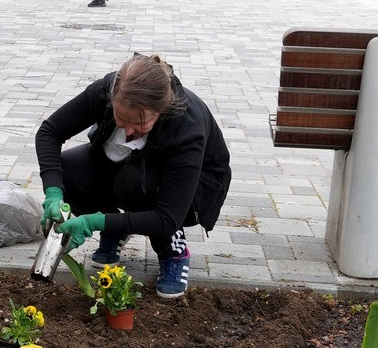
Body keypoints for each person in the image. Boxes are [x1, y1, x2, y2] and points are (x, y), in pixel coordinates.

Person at [33, 53, 231, 299]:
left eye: (139, 123)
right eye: (120, 118)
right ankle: (115, 229)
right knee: (67, 171)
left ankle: (173, 252)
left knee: (136, 184)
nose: (127, 131)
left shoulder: (185, 128)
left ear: (159, 112)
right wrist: (52, 192)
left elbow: (167, 218)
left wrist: (92, 222)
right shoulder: (108, 90)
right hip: (129, 166)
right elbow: (49, 132)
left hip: (193, 189)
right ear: (113, 98)